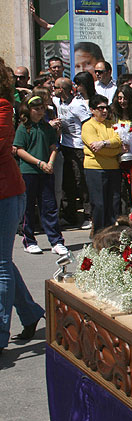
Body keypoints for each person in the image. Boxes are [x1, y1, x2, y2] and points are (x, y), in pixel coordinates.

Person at [0, 57, 45, 355]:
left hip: (6, 192)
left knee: (1, 265)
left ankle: (0, 336)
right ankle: (29, 313)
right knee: (2, 262)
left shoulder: (3, 106)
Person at [13, 94, 67, 255]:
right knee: (28, 207)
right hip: (29, 172)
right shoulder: (24, 128)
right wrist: (39, 162)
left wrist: (50, 162)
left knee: (49, 207)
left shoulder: (47, 128)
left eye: (42, 108)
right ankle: (29, 240)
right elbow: (20, 149)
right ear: (29, 110)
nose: (40, 111)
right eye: (36, 108)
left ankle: (56, 241)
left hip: (46, 172)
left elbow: (54, 146)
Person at [52, 77, 93, 228]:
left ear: (61, 89)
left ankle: (88, 215)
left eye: (55, 87)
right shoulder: (58, 102)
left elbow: (88, 124)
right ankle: (69, 215)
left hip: (78, 148)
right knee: (66, 183)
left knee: (81, 181)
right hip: (64, 146)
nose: (53, 89)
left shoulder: (77, 105)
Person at [82, 94, 122, 233]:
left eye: (106, 107)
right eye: (100, 108)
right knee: (99, 204)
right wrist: (115, 150)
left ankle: (111, 232)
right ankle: (98, 233)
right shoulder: (88, 126)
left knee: (113, 202)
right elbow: (95, 147)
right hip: (95, 168)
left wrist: (104, 143)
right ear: (92, 110)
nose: (104, 111)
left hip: (113, 168)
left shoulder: (112, 125)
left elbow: (119, 140)